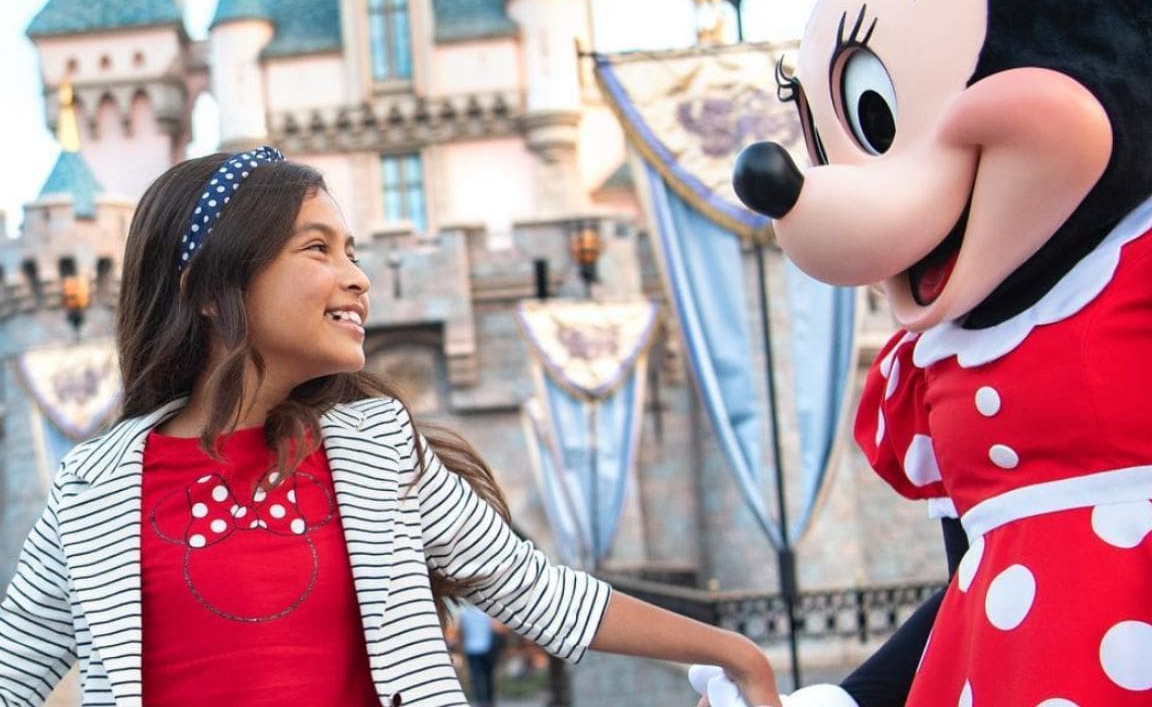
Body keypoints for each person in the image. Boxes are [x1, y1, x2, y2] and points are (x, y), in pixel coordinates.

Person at [0, 148, 780, 707]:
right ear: (210, 286)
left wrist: (734, 653)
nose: (358, 277)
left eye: (354, 251)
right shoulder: (92, 487)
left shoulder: (377, 451)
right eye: (318, 249)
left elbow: (540, 595)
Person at [458, 602, 498, 706]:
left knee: (477, 676)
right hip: (487, 648)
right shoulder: (486, 613)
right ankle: (489, 700)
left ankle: (481, 701)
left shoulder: (465, 613)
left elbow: (461, 631)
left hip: (471, 649)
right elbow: (494, 628)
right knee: (488, 675)